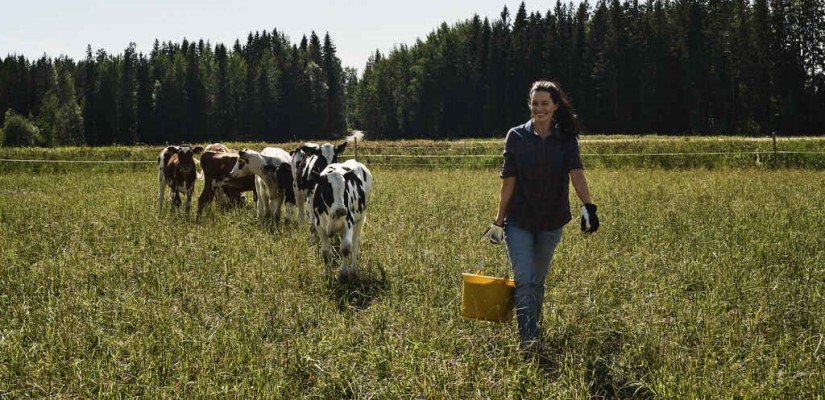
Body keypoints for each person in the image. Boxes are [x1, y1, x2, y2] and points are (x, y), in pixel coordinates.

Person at [481, 80, 600, 353]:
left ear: (556, 106)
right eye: (535, 103)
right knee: (524, 279)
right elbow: (508, 181)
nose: (539, 108)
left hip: (551, 221)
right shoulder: (516, 136)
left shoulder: (566, 139)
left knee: (536, 282)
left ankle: (533, 328)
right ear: (529, 105)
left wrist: (588, 207)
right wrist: (498, 220)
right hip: (519, 220)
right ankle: (530, 343)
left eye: (545, 103)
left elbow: (577, 173)